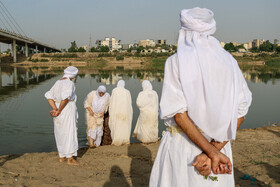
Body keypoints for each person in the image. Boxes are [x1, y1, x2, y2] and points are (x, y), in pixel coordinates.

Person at [149, 7, 252, 187]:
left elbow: (179, 115)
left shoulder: (175, 61)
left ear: (184, 31)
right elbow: (240, 113)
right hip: (219, 148)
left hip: (184, 147)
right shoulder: (229, 61)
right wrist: (213, 152)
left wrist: (209, 154)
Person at [45, 66, 80, 165]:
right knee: (69, 131)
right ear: (73, 75)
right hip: (67, 108)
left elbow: (49, 96)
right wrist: (59, 110)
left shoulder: (58, 82)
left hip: (58, 107)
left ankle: (62, 156)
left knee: (60, 132)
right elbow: (66, 99)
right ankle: (70, 158)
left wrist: (55, 109)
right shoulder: (69, 83)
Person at [109, 80, 133, 146]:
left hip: (116, 111)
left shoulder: (114, 91)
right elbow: (129, 103)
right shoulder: (127, 92)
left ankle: (116, 141)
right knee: (124, 126)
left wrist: (111, 111)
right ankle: (125, 140)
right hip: (125, 112)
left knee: (117, 126)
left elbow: (112, 102)